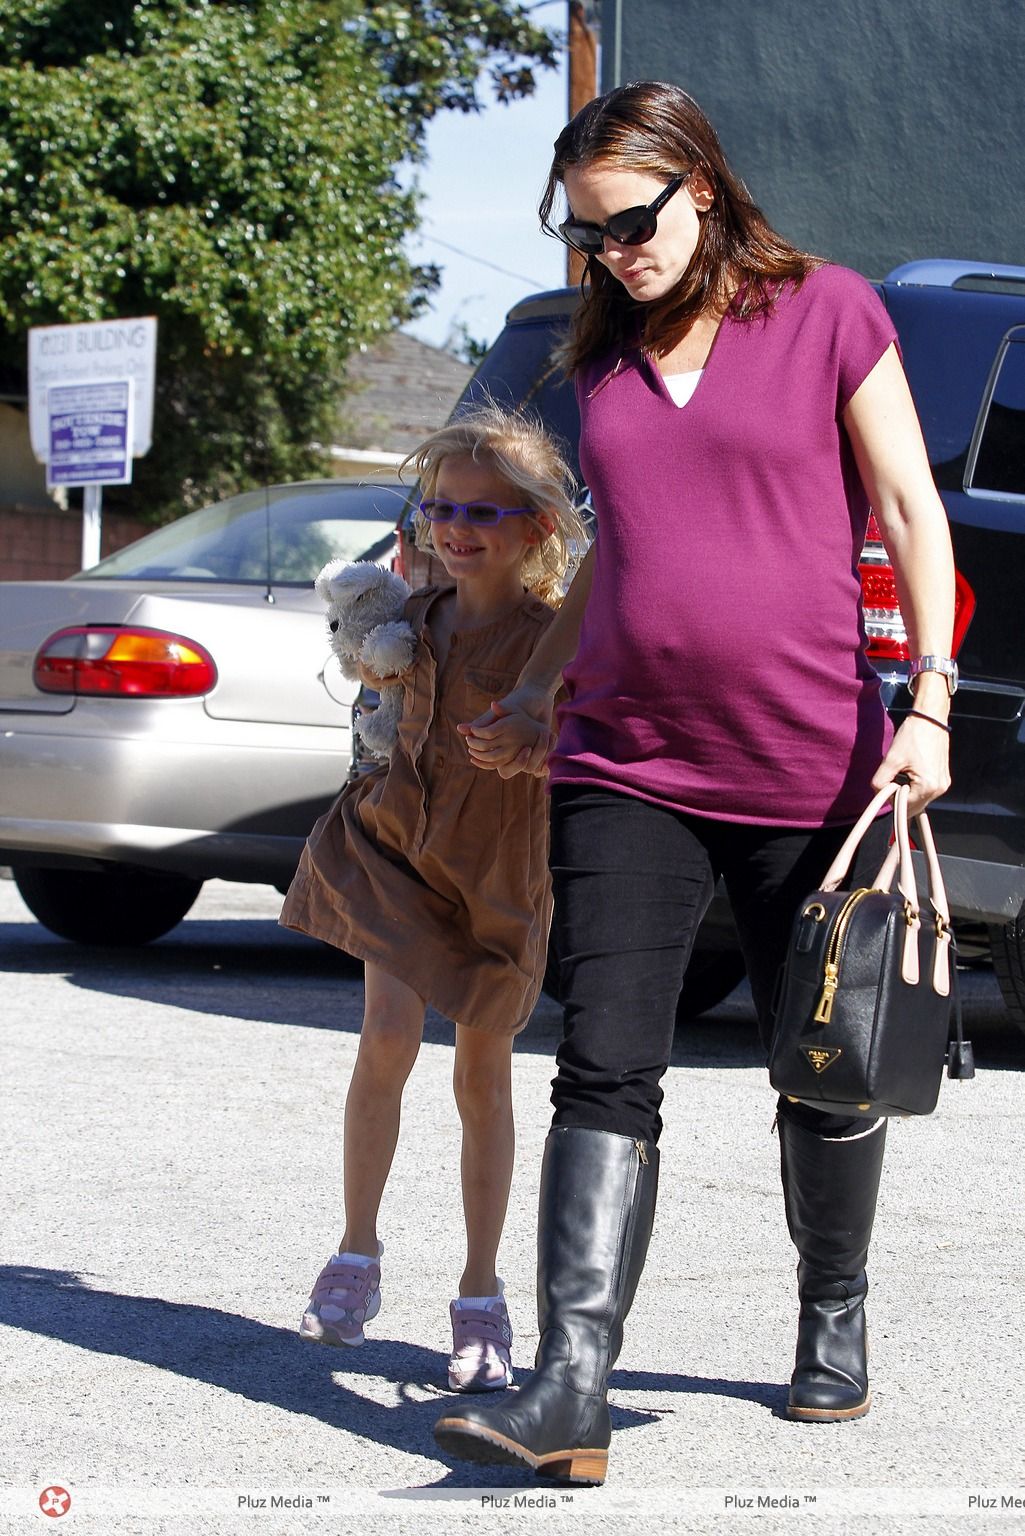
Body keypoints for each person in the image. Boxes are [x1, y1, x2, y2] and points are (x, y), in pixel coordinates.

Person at [433, 81, 956, 1482]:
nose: (615, 253)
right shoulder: (599, 361)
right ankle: (571, 1387)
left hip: (808, 761)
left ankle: (830, 1313)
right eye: (589, 235)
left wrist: (931, 704)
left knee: (821, 1068)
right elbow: (622, 548)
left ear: (700, 189)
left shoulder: (828, 310)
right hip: (625, 761)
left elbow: (910, 507)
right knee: (604, 1060)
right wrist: (542, 688)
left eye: (632, 223)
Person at [280, 403, 587, 1393]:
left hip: (498, 878)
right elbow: (378, 710)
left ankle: (480, 1293)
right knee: (383, 1038)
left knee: (481, 1078)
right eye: (437, 509)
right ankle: (355, 1254)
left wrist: (541, 738)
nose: (453, 529)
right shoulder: (407, 622)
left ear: (538, 527)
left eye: (482, 514)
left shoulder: (552, 646)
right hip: (397, 855)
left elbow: (584, 750)